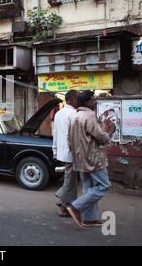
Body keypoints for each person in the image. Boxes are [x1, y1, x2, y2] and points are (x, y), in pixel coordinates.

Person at [67, 90, 116, 228]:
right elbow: (102, 138)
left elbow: (69, 140)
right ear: (88, 102)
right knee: (103, 186)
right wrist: (111, 130)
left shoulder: (75, 117)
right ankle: (76, 207)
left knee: (89, 188)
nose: (96, 102)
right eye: (94, 100)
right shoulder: (89, 116)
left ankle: (90, 219)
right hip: (94, 159)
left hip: (80, 159)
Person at [53, 89, 79, 217]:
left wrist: (55, 150)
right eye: (78, 98)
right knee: (71, 182)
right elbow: (74, 137)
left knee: (70, 179)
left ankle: (61, 197)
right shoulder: (73, 114)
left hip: (64, 153)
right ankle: (63, 208)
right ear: (72, 100)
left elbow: (55, 134)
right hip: (71, 153)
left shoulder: (59, 113)